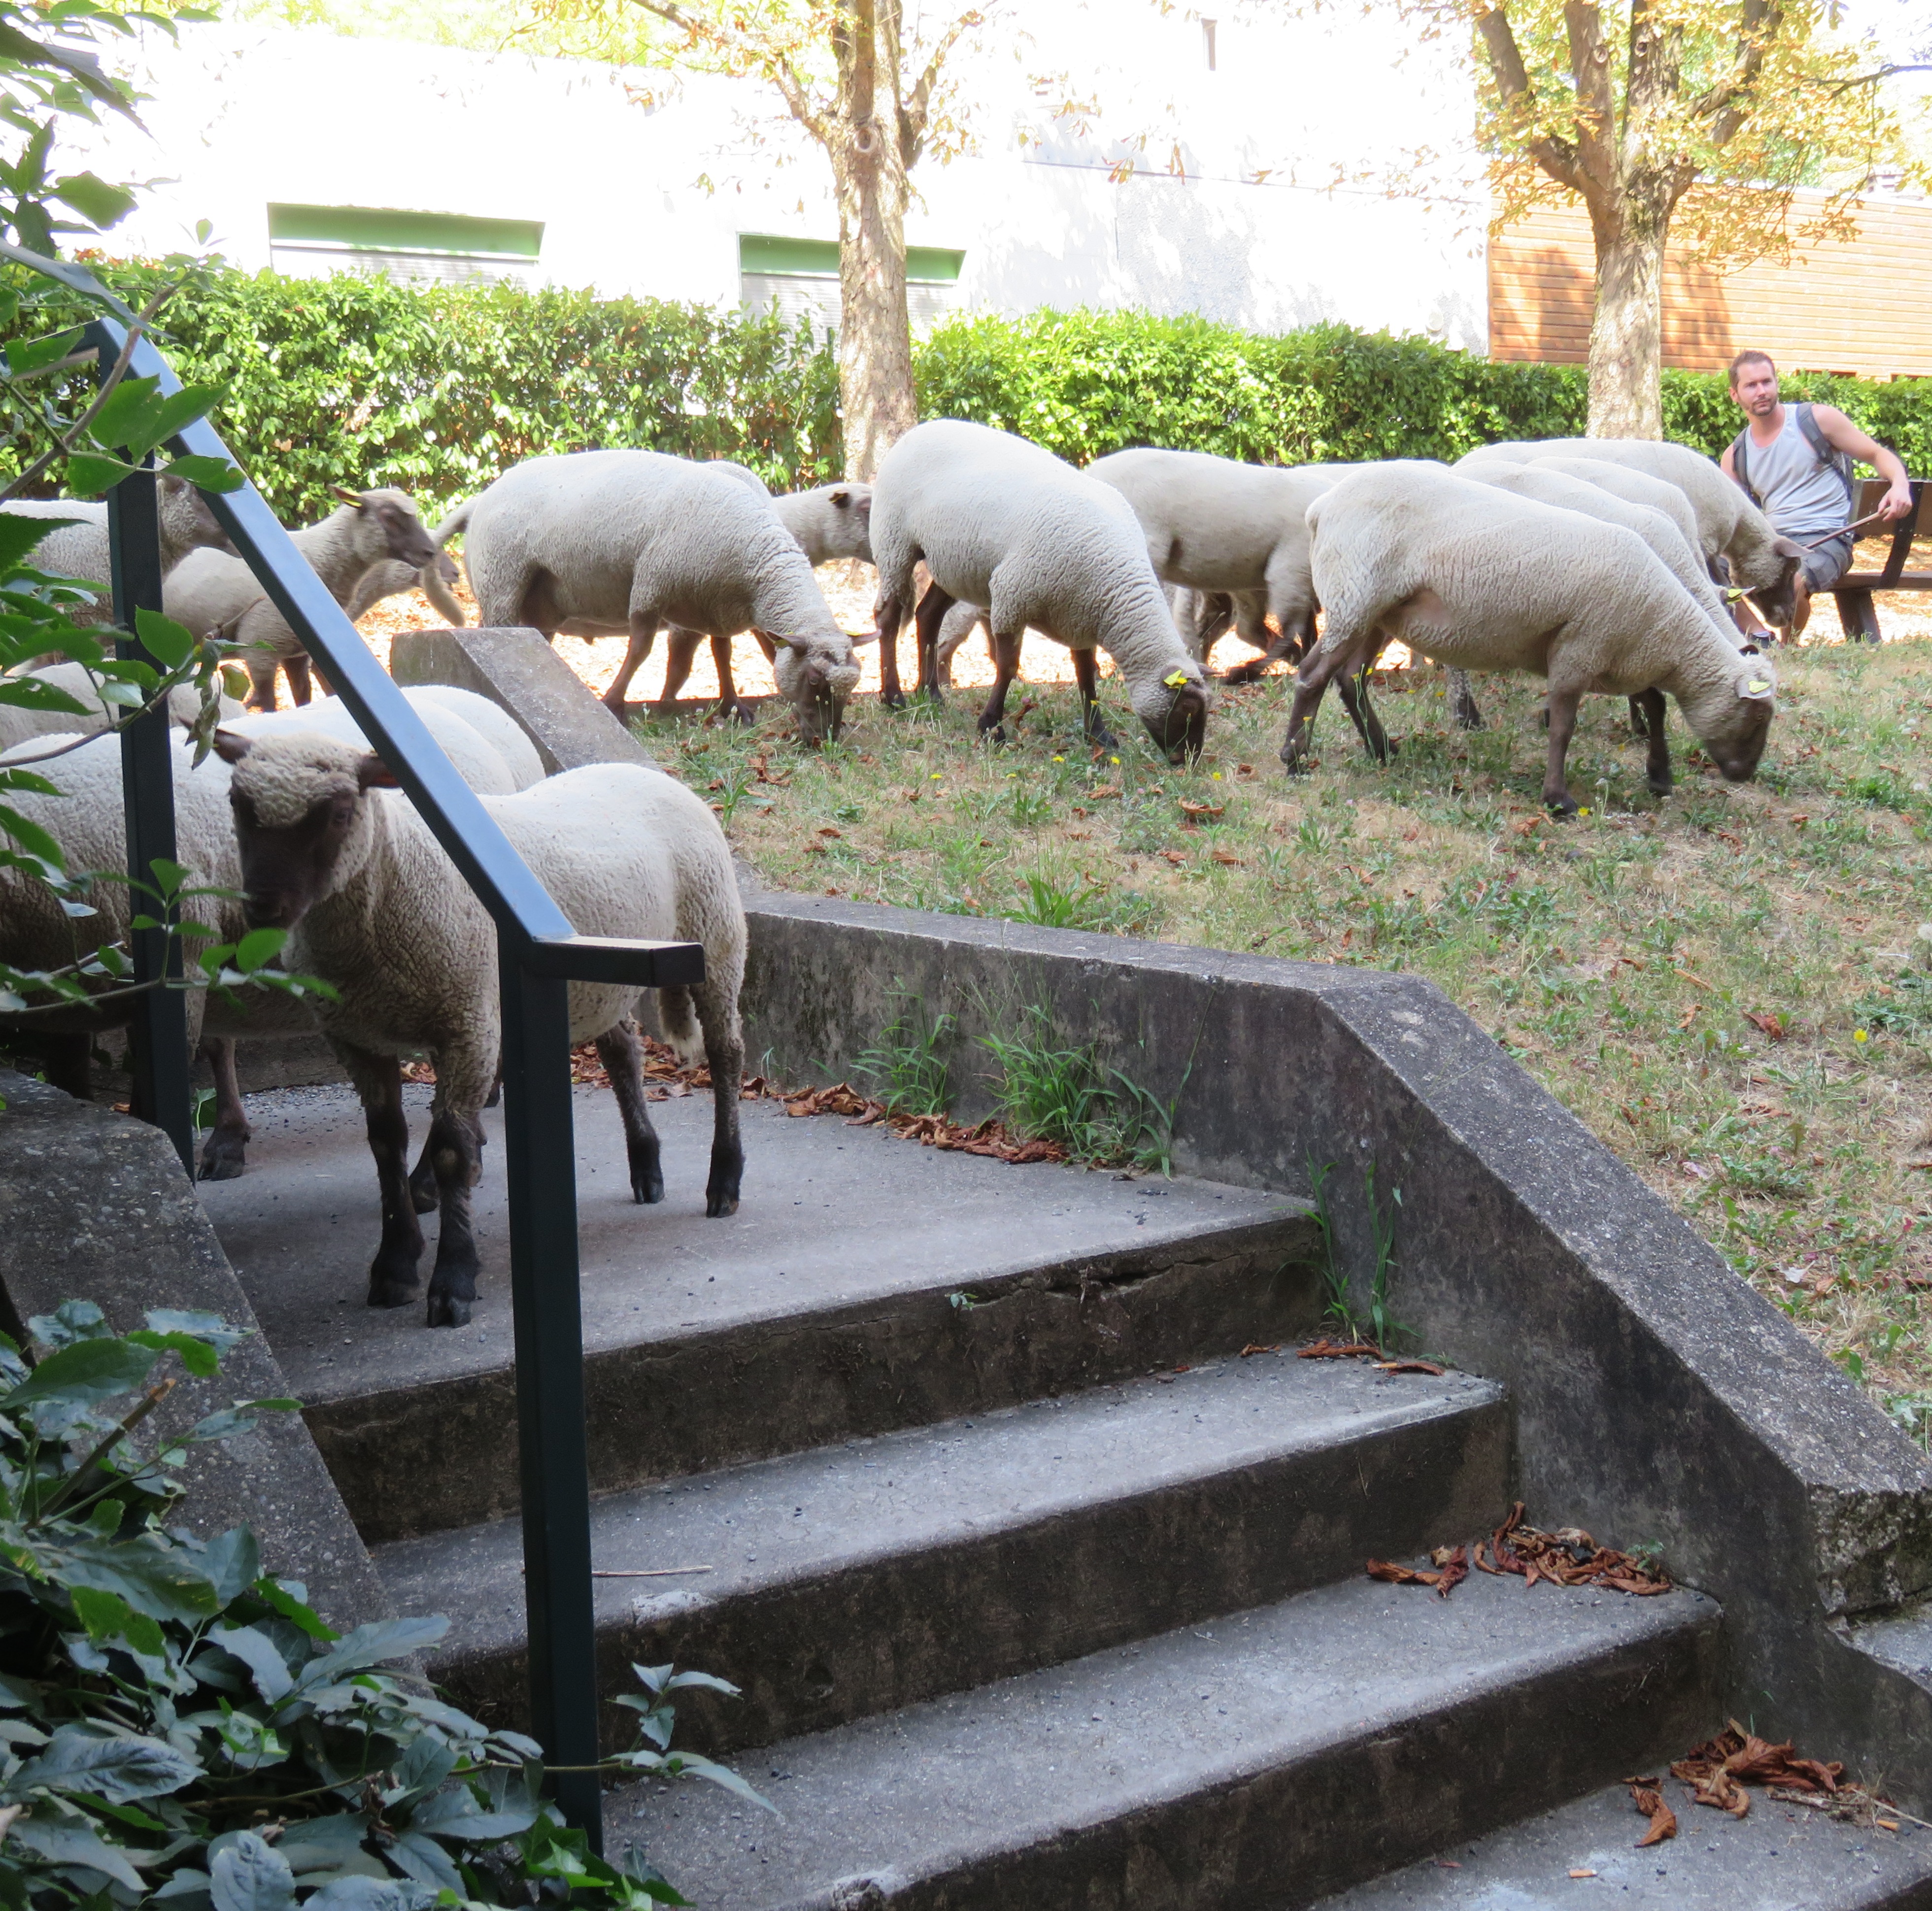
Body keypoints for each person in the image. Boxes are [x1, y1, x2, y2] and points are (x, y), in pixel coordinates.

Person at [1720, 350, 1913, 636]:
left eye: (1767, 382)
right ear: (1735, 395)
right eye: (1751, 385)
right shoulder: (1736, 455)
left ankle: (1788, 649)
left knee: (1794, 583)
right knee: (1711, 571)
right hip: (1775, 545)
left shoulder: (1815, 420)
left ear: (1776, 384)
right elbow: (1729, 524)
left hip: (1827, 540)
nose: (1761, 391)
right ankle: (1760, 638)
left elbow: (1877, 454)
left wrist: (1900, 485)